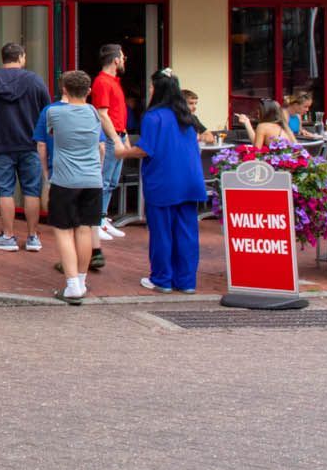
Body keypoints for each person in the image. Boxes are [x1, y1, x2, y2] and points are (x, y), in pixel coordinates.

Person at [115, 71, 208, 295]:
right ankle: (186, 281)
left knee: (162, 233)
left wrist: (123, 152)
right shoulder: (186, 115)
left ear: (158, 90)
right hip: (191, 180)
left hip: (164, 180)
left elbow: (145, 149)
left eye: (151, 87)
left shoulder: (153, 116)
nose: (149, 90)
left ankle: (162, 279)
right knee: (187, 233)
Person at [35, 72, 113, 305]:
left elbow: (43, 144)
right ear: (88, 92)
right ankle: (81, 278)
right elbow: (101, 147)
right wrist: (97, 171)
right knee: (85, 229)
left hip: (65, 179)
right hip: (92, 180)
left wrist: (47, 173)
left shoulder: (53, 112)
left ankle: (72, 286)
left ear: (64, 90)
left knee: (63, 230)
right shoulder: (93, 113)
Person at [0, 43, 51, 253]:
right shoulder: (35, 81)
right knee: (31, 191)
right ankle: (33, 236)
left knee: (5, 191)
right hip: (30, 143)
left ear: (3, 58)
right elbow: (46, 111)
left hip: (1, 143)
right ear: (21, 57)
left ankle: (8, 235)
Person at [90, 44, 129, 242]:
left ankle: (103, 218)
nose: (123, 60)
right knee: (104, 181)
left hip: (118, 135)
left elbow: (116, 113)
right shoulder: (102, 82)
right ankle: (96, 221)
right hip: (111, 137)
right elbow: (102, 114)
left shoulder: (112, 81)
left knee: (111, 182)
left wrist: (125, 137)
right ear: (115, 60)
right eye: (122, 57)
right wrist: (115, 139)